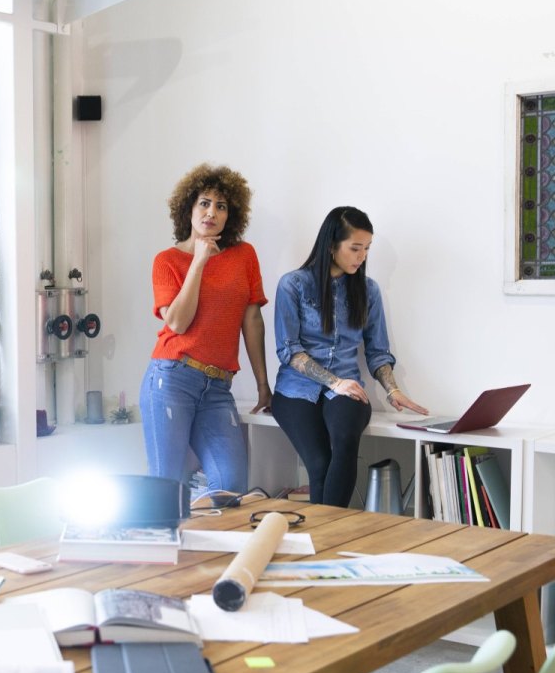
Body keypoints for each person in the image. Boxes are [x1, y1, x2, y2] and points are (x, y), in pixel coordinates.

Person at [270, 206, 427, 507]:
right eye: (355, 248)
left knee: (343, 443)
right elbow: (289, 350)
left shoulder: (369, 291)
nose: (362, 256)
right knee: (318, 464)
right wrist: (333, 382)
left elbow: (378, 351)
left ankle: (330, 536)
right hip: (295, 391)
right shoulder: (293, 285)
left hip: (347, 391)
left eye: (366, 249)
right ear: (331, 245)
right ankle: (324, 542)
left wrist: (393, 390)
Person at [139, 163, 271, 506]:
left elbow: (252, 319)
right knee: (166, 489)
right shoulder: (166, 260)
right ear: (189, 208)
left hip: (217, 387)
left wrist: (262, 384)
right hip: (171, 379)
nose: (212, 212)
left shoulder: (244, 256)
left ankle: (220, 557)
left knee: (230, 489)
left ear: (232, 216)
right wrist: (198, 260)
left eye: (221, 206)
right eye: (204, 203)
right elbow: (178, 323)